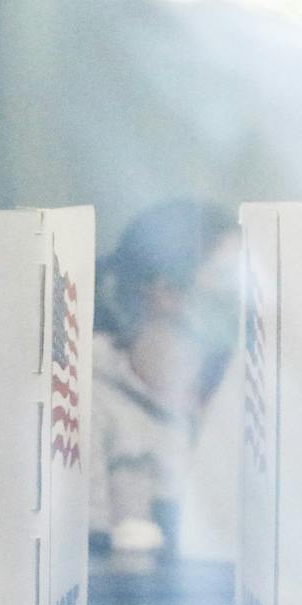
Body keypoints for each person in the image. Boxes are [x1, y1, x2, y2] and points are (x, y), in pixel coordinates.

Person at [89, 199, 240, 554]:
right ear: (166, 292)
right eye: (225, 277)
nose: (241, 294)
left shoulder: (242, 399)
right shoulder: (86, 400)